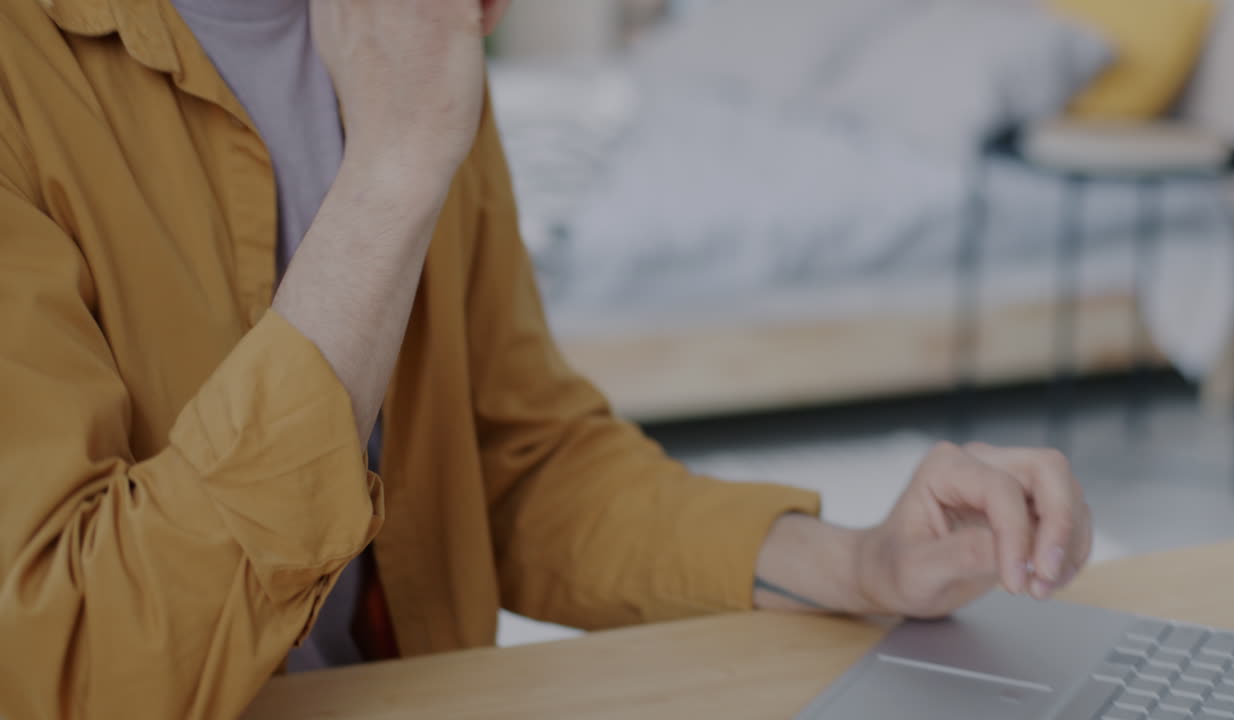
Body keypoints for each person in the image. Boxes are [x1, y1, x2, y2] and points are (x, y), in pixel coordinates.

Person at [0, 0, 1093, 717]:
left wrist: (853, 564)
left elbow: (512, 466)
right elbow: (79, 654)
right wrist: (392, 166)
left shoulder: (420, 28)